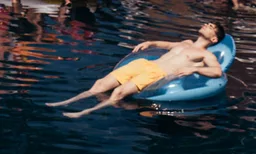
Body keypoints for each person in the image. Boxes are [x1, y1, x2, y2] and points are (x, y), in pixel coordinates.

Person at [46, 22, 225, 118]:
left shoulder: (206, 55)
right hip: (144, 64)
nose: (206, 25)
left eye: (211, 27)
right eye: (207, 23)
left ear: (214, 39)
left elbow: (217, 72)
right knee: (101, 84)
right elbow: (166, 44)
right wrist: (150, 43)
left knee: (119, 92)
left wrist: (194, 69)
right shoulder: (185, 43)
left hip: (157, 74)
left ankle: (84, 113)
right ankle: (65, 102)